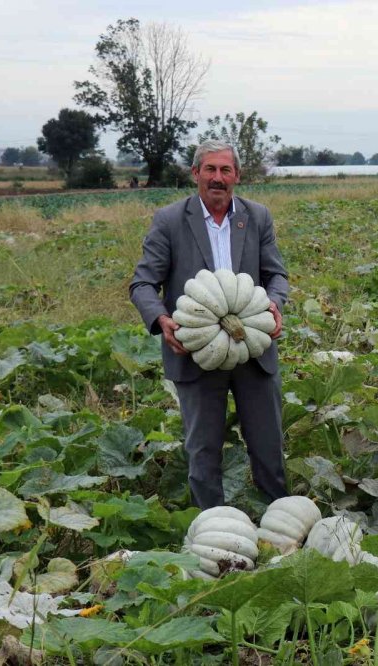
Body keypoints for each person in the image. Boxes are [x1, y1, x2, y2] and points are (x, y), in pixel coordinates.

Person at [130, 140, 289, 509]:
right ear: (195, 173)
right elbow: (142, 284)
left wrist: (275, 302)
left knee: (268, 446)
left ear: (237, 176)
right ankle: (212, 527)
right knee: (203, 452)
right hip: (195, 349)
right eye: (210, 169)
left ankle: (278, 521)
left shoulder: (257, 216)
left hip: (252, 347)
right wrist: (161, 318)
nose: (218, 178)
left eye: (225, 170)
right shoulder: (170, 221)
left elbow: (276, 275)